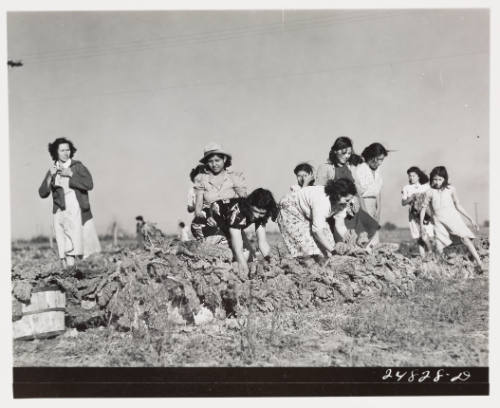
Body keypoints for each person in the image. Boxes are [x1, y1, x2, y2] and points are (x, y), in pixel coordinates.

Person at [39, 138, 101, 267]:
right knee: (62, 244)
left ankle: (73, 274)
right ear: (56, 152)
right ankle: (66, 275)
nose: (65, 153)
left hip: (75, 207)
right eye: (62, 150)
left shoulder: (77, 167)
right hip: (59, 210)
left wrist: (71, 174)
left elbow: (89, 184)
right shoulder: (53, 170)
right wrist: (50, 176)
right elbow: (42, 193)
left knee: (73, 244)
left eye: (68, 150)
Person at [315, 137, 379, 247]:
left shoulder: (349, 167)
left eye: (349, 153)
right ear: (335, 151)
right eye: (344, 153)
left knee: (366, 236)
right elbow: (319, 194)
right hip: (338, 212)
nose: (347, 156)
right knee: (344, 243)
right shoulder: (325, 168)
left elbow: (357, 192)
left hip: (354, 211)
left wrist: (365, 211)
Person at [420, 166, 483, 271]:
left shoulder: (451, 189)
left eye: (440, 179)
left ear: (445, 179)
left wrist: (471, 219)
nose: (437, 182)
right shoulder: (429, 192)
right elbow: (423, 209)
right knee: (440, 246)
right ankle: (445, 270)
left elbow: (458, 205)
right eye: (435, 179)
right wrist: (422, 225)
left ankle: (479, 262)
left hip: (453, 218)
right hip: (438, 221)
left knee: (465, 238)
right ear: (431, 179)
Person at [277, 178, 356, 259]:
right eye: (347, 200)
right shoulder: (322, 201)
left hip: (308, 212)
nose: (348, 202)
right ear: (338, 195)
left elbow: (340, 225)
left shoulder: (343, 203)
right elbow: (317, 231)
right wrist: (333, 251)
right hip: (291, 209)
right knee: (308, 249)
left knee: (329, 243)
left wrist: (348, 239)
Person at [211, 188, 278, 274]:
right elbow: (238, 247)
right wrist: (242, 264)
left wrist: (270, 261)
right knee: (230, 257)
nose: (257, 216)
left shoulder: (262, 215)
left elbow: (262, 242)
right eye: (255, 211)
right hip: (210, 224)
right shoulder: (238, 211)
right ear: (249, 205)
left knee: (250, 258)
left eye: (261, 213)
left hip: (230, 227)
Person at [193, 142, 247, 240]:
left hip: (231, 220)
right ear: (206, 163)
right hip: (210, 221)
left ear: (224, 159)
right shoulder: (201, 179)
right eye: (210, 161)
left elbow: (244, 201)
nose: (214, 164)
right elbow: (198, 207)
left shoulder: (234, 177)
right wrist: (205, 217)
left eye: (217, 160)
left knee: (243, 252)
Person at [353, 142, 389, 245]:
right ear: (371, 157)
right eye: (378, 159)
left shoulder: (378, 171)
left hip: (374, 205)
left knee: (374, 236)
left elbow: (378, 190)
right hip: (363, 204)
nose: (380, 163)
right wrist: (365, 212)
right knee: (364, 235)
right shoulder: (361, 169)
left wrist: (379, 209)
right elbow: (359, 192)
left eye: (382, 160)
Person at [401, 166, 433, 257]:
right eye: (409, 176)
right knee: (419, 238)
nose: (411, 178)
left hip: (425, 214)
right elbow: (403, 202)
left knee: (425, 235)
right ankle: (423, 257)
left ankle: (431, 252)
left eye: (413, 176)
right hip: (413, 215)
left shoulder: (426, 187)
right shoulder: (406, 188)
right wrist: (411, 198)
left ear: (418, 176)